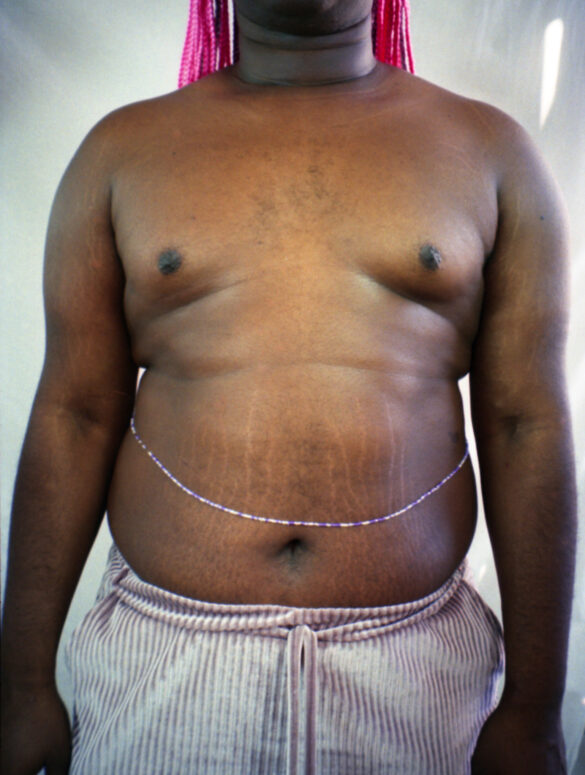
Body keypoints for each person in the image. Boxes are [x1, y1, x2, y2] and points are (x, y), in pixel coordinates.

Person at [1, 0, 576, 772]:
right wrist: (23, 684)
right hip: (165, 670)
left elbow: (524, 423)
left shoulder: (490, 152)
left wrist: (535, 707)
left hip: (415, 680)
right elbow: (74, 413)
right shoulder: (121, 151)